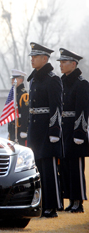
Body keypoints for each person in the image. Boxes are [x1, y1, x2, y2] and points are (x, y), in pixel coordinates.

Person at [26, 42, 64, 218]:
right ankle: (41, 204)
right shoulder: (34, 79)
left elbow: (56, 107)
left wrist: (54, 131)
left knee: (49, 170)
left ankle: (53, 206)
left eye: (35, 57)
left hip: (48, 131)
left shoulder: (52, 78)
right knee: (38, 170)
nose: (32, 59)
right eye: (31, 56)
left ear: (45, 58)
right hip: (35, 130)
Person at [57, 48, 88, 213]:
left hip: (75, 130)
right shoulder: (61, 82)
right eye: (60, 62)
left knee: (76, 168)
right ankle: (69, 199)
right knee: (65, 168)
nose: (61, 65)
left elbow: (83, 110)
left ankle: (78, 202)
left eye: (64, 62)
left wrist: (80, 133)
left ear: (74, 64)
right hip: (63, 129)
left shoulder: (82, 83)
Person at [7, 69, 29, 145]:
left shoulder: (24, 95)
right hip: (13, 128)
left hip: (19, 128)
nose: (12, 81)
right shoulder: (13, 93)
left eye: (15, 79)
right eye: (12, 79)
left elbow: (25, 114)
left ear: (21, 80)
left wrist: (23, 130)